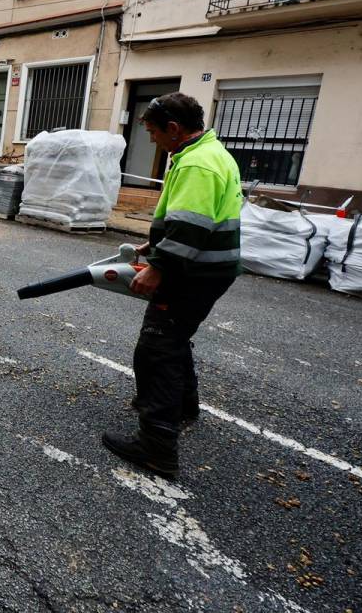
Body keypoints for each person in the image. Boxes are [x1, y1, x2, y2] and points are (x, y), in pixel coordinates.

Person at [103, 92, 242, 479]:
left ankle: (157, 446)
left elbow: (192, 226)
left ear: (174, 129)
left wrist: (159, 267)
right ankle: (182, 407)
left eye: (152, 131)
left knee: (157, 348)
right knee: (174, 338)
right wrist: (156, 245)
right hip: (208, 268)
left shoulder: (198, 164)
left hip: (192, 273)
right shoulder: (210, 154)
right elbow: (198, 217)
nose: (150, 139)